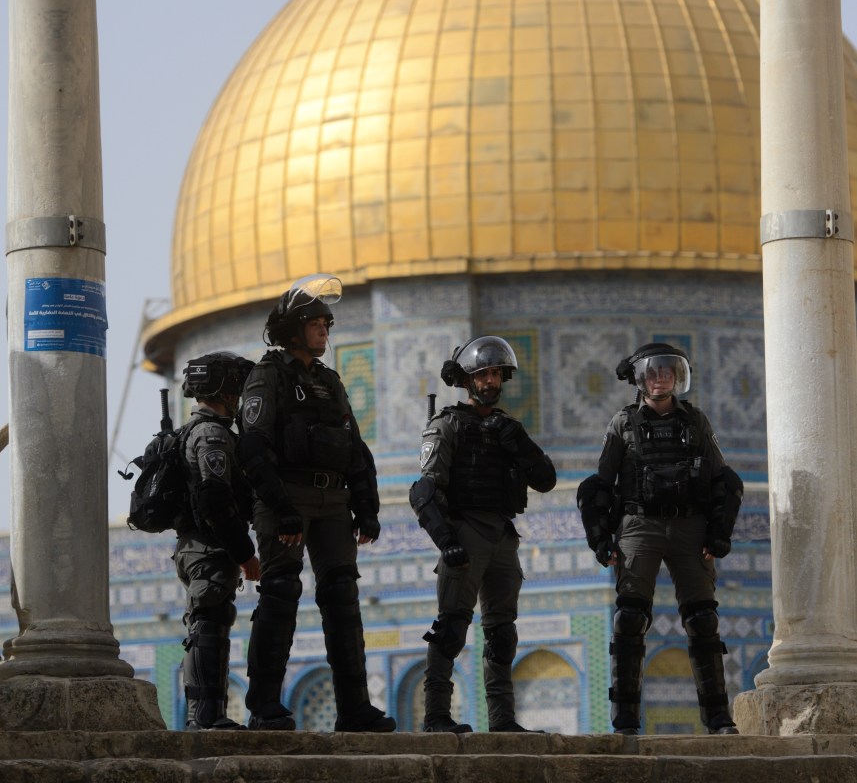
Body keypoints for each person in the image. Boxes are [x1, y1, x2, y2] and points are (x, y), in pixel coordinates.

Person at [236, 274, 395, 733]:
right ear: (293, 327)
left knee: (343, 597)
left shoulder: (329, 381)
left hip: (333, 502)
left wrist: (367, 506)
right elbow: (252, 448)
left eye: (328, 320)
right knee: (281, 593)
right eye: (317, 321)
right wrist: (280, 507)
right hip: (287, 497)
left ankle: (354, 709)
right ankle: (265, 705)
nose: (326, 327)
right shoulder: (266, 377)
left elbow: (355, 448)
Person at [577, 342, 744, 736]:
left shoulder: (695, 422)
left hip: (689, 526)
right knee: (630, 618)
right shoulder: (623, 423)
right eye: (654, 373)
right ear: (641, 378)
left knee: (703, 620)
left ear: (677, 377)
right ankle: (626, 720)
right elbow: (600, 486)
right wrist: (602, 539)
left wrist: (719, 534)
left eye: (668, 372)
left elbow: (725, 481)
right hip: (640, 525)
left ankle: (718, 719)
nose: (661, 379)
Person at [409, 336, 557, 734]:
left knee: (502, 633)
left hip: (502, 536)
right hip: (465, 531)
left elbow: (546, 479)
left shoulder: (508, 428)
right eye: (481, 374)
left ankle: (502, 719)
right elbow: (423, 492)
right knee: (452, 627)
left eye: (495, 373)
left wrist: (518, 443)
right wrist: (447, 541)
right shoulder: (448, 425)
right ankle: (437, 716)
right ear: (466, 380)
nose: (490, 381)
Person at [175, 351, 261, 731]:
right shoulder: (211, 435)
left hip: (202, 545)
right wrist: (245, 553)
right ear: (225, 391)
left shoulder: (203, 431)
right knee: (208, 623)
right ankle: (204, 716)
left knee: (213, 619)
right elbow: (214, 500)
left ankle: (210, 712)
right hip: (208, 545)